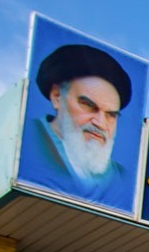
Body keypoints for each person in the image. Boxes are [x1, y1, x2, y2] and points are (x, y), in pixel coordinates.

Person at [22, 44, 134, 205]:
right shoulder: (23, 141)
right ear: (57, 96)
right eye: (88, 105)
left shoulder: (121, 178)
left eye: (110, 115)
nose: (100, 123)